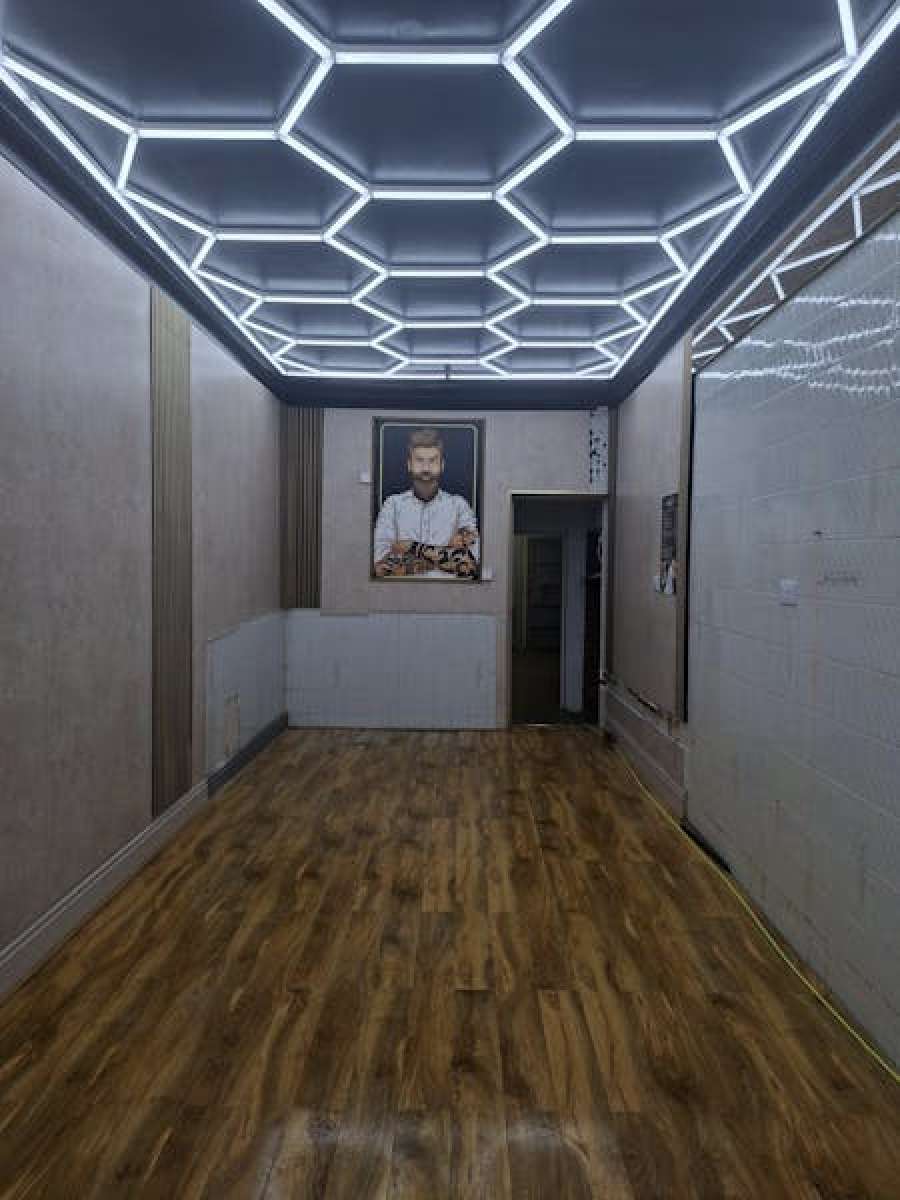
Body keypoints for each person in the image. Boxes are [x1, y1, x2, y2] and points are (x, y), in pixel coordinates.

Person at [373, 427, 480, 579]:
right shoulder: (392, 505)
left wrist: (411, 547)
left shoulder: (459, 506)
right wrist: (447, 553)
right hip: (400, 593)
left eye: (433, 460)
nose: (426, 467)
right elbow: (380, 568)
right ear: (409, 464)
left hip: (451, 593)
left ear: (442, 465)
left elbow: (470, 566)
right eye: (419, 460)